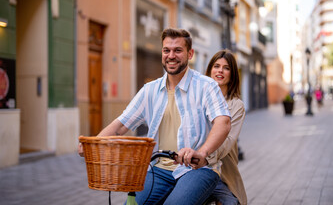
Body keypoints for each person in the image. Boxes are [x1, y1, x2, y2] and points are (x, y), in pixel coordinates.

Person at [79, 28, 231, 205]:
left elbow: (223, 122)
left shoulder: (206, 86)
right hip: (158, 168)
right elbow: (121, 124)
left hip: (198, 169)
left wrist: (202, 152)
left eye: (178, 50)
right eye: (167, 50)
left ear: (190, 54)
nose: (171, 55)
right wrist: (93, 144)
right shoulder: (149, 90)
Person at [205, 50, 247, 205]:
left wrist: (202, 156)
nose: (220, 71)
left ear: (232, 74)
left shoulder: (236, 105)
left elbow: (226, 143)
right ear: (210, 70)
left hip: (224, 171)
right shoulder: (199, 99)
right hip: (194, 169)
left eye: (226, 68)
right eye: (216, 66)